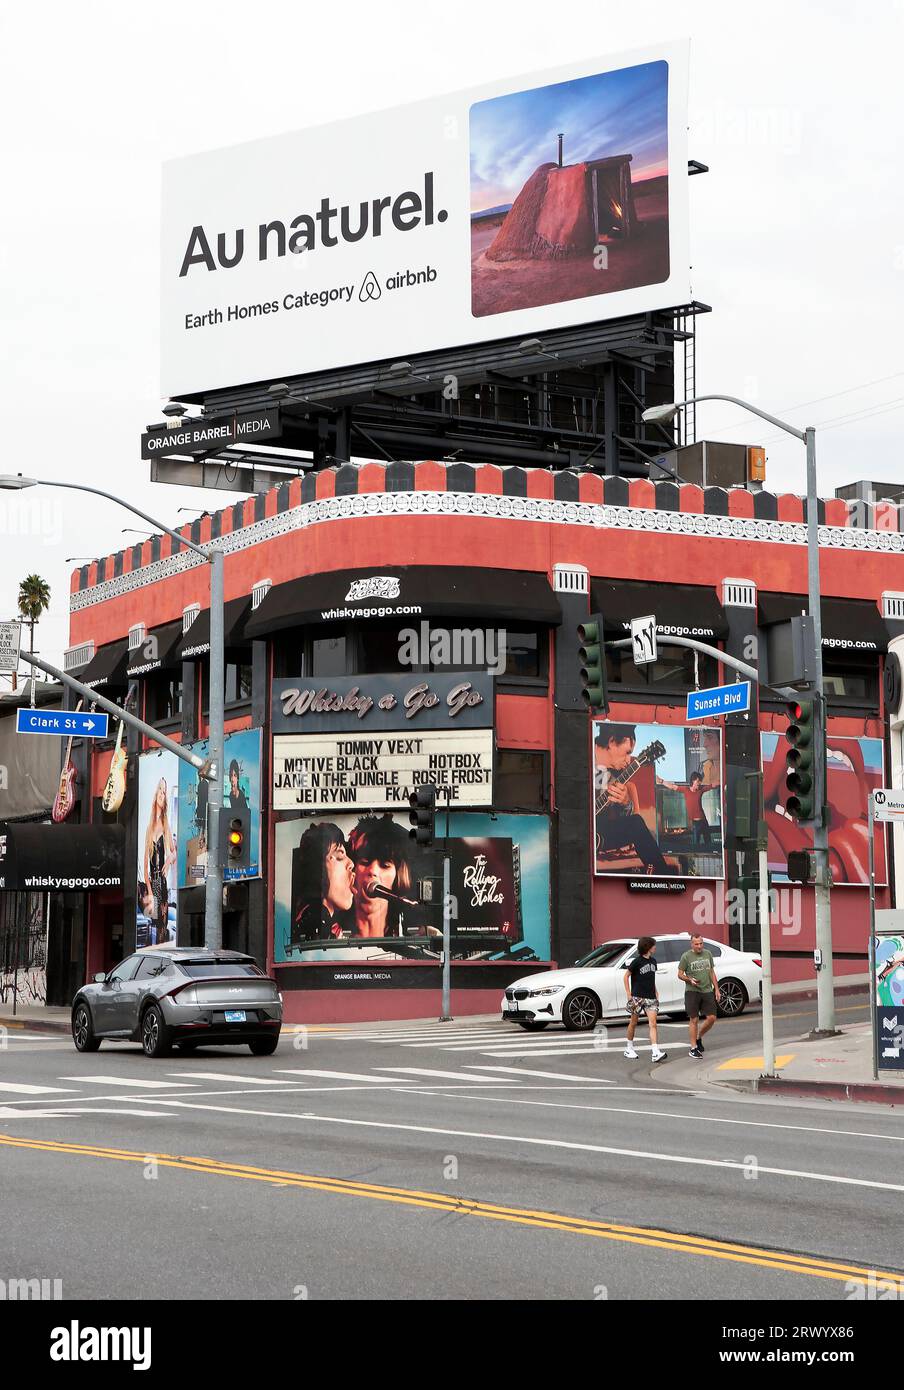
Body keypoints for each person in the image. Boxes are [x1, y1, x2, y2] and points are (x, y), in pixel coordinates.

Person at [594, 724, 669, 874]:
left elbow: (623, 822)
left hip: (598, 835)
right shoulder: (580, 759)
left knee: (635, 823)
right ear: (612, 742)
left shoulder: (613, 776)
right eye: (627, 753)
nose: (629, 760)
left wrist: (625, 803)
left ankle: (662, 876)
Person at [292, 822, 354, 946]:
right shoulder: (312, 922)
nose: (351, 864)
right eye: (340, 856)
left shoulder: (327, 923)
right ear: (318, 868)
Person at [623, 936, 667, 1063]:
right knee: (633, 1022)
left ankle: (655, 1052)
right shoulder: (637, 962)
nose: (655, 947)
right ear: (647, 947)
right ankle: (629, 1048)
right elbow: (626, 977)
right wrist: (628, 993)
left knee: (653, 1024)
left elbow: (650, 978)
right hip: (637, 996)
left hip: (651, 997)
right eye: (653, 945)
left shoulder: (653, 961)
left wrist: (656, 990)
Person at [143, 777, 176, 945]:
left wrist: (170, 859)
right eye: (160, 789)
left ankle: (162, 951)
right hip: (152, 882)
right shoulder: (149, 828)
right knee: (153, 924)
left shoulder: (166, 825)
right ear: (156, 793)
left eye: (165, 791)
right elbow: (144, 866)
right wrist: (149, 890)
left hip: (162, 882)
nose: (162, 793)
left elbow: (174, 852)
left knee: (162, 924)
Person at [678, 933, 721, 1057]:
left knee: (712, 1018)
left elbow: (712, 972)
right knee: (694, 1019)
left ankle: (698, 1037)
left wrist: (716, 989)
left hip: (707, 990)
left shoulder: (708, 954)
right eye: (696, 944)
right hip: (692, 991)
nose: (699, 946)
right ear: (692, 944)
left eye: (701, 943)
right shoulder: (686, 956)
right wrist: (689, 979)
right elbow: (680, 974)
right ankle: (693, 1048)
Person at [660, 770, 712, 849]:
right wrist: (661, 781)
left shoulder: (701, 790)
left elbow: (712, 785)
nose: (699, 783)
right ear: (693, 781)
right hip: (695, 823)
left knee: (708, 843)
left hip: (704, 821)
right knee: (696, 845)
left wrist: (723, 780)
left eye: (700, 781)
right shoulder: (686, 790)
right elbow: (672, 786)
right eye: (698, 781)